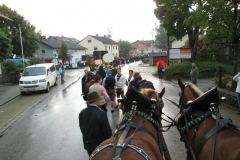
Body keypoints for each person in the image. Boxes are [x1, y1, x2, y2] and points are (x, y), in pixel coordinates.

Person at [79, 91, 112, 156]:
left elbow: (82, 128)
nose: (100, 100)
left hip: (88, 145)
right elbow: (107, 132)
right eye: (99, 99)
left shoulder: (82, 113)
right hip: (99, 145)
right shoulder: (101, 114)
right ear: (95, 101)